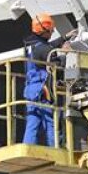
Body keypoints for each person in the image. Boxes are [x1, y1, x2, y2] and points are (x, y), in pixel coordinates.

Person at [22, 13, 66, 146]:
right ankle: (55, 150)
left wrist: (64, 38)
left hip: (31, 90)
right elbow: (56, 65)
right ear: (45, 30)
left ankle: (28, 148)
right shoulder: (43, 49)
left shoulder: (31, 46)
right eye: (51, 30)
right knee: (50, 121)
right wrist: (65, 55)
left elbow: (47, 46)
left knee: (32, 122)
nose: (52, 32)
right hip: (42, 90)